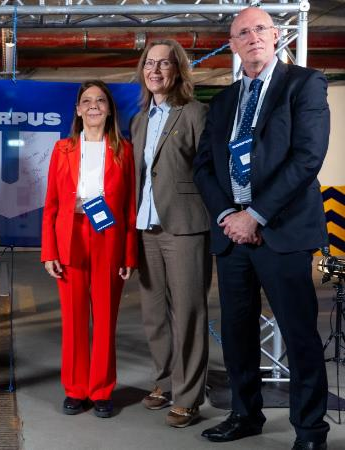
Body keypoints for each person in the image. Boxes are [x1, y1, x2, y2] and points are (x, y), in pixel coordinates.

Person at [193, 7, 330, 450]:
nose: (252, 37)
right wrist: (227, 216)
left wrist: (256, 215)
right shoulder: (224, 101)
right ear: (232, 45)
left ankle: (310, 431)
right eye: (242, 32)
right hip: (232, 236)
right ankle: (245, 414)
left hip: (282, 231)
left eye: (260, 29)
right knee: (237, 333)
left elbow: (307, 157)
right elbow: (204, 166)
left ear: (275, 36)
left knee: (299, 333)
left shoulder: (304, 84)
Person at [41, 80, 137, 419]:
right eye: (86, 101)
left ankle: (101, 390)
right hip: (71, 236)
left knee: (106, 319)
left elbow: (129, 207)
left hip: (108, 237)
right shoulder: (62, 149)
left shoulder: (124, 150)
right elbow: (52, 204)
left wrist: (129, 254)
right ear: (78, 110)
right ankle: (75, 388)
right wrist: (49, 251)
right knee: (73, 319)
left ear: (109, 109)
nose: (93, 105)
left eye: (100, 100)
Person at [130, 39, 210, 428]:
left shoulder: (194, 112)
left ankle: (189, 395)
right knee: (153, 314)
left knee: (188, 313)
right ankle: (163, 381)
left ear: (178, 70)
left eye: (164, 63)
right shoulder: (139, 120)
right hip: (146, 227)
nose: (156, 70)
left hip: (184, 227)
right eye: (150, 63)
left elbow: (209, 170)